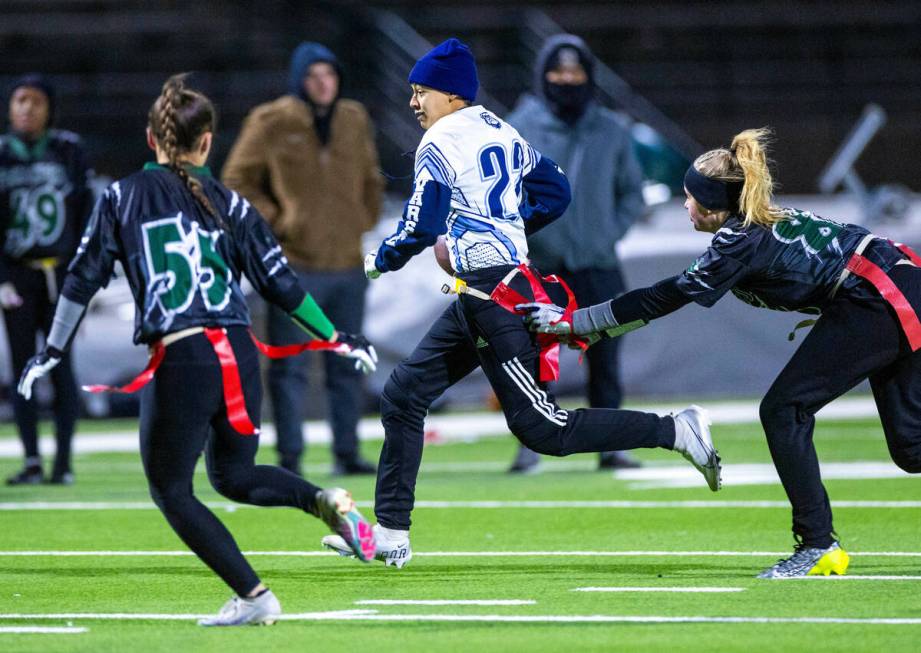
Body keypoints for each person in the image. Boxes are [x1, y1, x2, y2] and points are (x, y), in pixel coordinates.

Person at [320, 38, 722, 569]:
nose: (414, 103)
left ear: (449, 94)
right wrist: (510, 227)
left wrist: (382, 258)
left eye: (421, 92)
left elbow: (421, 222)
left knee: (544, 430)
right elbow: (556, 190)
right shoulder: (499, 128)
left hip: (495, 297)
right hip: (485, 290)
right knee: (404, 393)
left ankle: (674, 429)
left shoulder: (439, 142)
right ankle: (391, 533)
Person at [17, 74, 378, 625]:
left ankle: (255, 598)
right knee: (234, 474)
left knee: (171, 488)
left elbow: (82, 276)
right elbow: (282, 285)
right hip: (237, 348)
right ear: (207, 141)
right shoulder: (230, 202)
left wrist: (53, 349)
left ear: (150, 139)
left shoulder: (123, 195)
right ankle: (324, 501)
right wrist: (335, 336)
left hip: (183, 353)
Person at [520, 127, 921, 578]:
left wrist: (577, 322)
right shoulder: (757, 224)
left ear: (712, 205)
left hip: (880, 295)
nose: (685, 204)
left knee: (784, 410)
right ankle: (818, 543)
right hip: (898, 283)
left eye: (690, 197)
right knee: (911, 448)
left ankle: (818, 544)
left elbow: (662, 297)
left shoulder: (739, 241)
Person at [223, 42, 384, 477]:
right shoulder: (271, 120)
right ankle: (290, 456)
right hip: (295, 266)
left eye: (329, 74)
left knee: (348, 362)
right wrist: (279, 220)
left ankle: (347, 452)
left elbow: (371, 175)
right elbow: (236, 179)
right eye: (313, 75)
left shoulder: (353, 118)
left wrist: (362, 218)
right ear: (299, 79)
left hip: (348, 263)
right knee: (290, 365)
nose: (323, 83)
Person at [505, 34, 646, 473]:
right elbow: (504, 191)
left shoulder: (611, 128)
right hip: (541, 266)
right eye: (558, 73)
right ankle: (532, 443)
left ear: (588, 77)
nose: (567, 80)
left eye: (575, 73)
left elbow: (631, 193)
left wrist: (605, 235)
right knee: (532, 357)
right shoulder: (520, 125)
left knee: (605, 359)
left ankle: (611, 446)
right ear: (543, 76)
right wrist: (527, 239)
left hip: (597, 263)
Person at [0, 74, 94, 485]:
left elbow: (86, 214)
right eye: (20, 100)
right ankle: (33, 460)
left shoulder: (69, 150)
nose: (27, 108)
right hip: (18, 275)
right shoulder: (2, 154)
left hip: (61, 273)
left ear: (49, 108)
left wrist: (83, 272)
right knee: (23, 368)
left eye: (35, 101)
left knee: (60, 366)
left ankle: (63, 461)